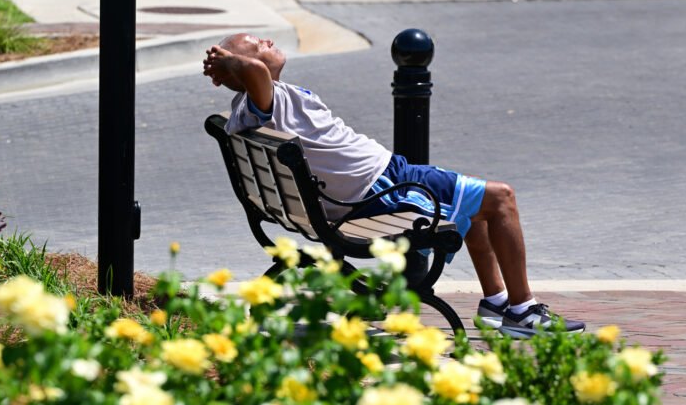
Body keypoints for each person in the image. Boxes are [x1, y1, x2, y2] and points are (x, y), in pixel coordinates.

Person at [203, 32, 584, 338]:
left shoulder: (260, 105)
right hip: (384, 191)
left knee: (477, 199)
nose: (267, 42)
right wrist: (230, 63)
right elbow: (254, 71)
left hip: (383, 181)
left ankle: (498, 300)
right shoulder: (261, 103)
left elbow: (254, 71)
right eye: (257, 45)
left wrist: (233, 65)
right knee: (501, 198)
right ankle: (523, 310)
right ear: (244, 68)